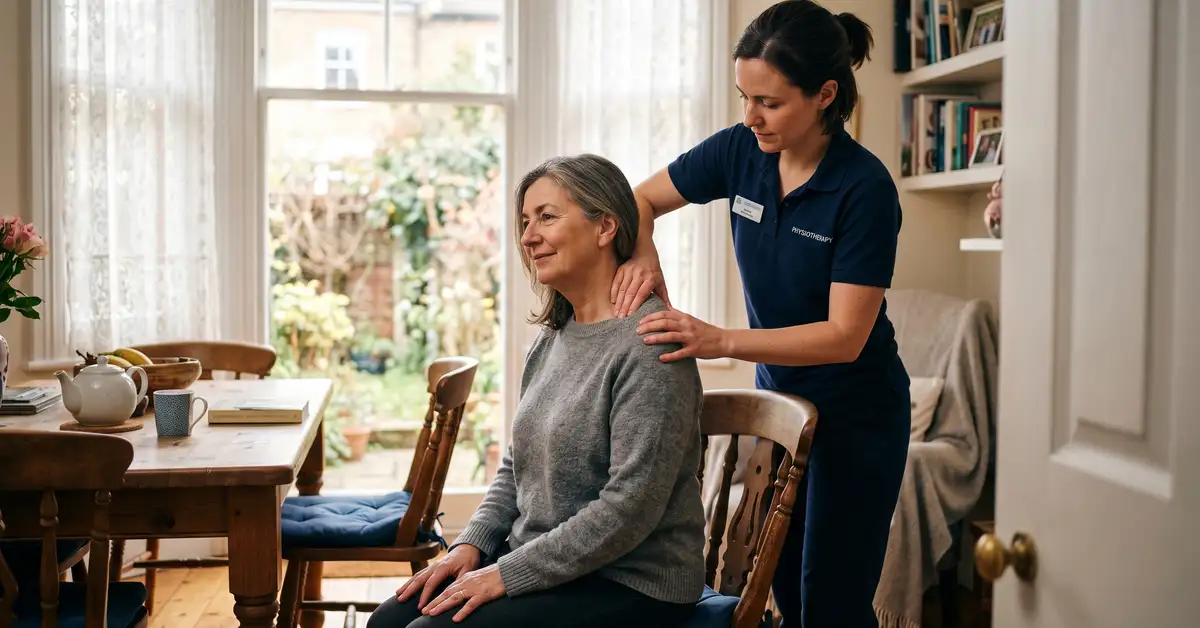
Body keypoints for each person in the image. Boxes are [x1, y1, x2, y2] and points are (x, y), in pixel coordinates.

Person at [612, 2, 910, 626]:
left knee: (831, 602)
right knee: (786, 591)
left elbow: (845, 337)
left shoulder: (864, 189)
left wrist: (719, 339)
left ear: (825, 95)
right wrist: (648, 263)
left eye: (769, 102)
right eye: (744, 96)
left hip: (857, 417)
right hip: (783, 410)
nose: (750, 116)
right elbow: (639, 199)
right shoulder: (739, 153)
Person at [366, 154, 707, 628]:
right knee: (387, 621)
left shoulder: (649, 345)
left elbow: (630, 508)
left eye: (547, 217)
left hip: (632, 581)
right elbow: (517, 462)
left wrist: (504, 574)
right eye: (525, 221)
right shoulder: (555, 334)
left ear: (605, 226)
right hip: (553, 563)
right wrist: (472, 543)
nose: (527, 237)